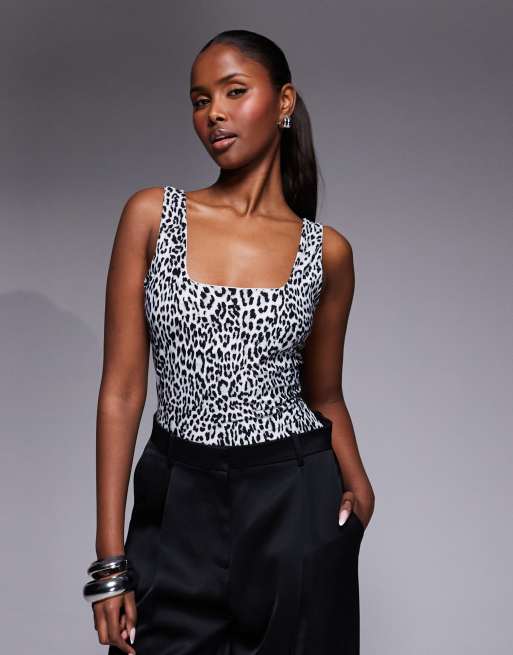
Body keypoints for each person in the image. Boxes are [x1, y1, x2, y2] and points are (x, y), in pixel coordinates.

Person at [85, 29, 375, 655]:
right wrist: (111, 563)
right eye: (200, 99)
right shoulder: (151, 217)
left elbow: (325, 395)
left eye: (234, 91)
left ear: (284, 101)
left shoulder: (326, 252)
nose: (213, 113)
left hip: (293, 501)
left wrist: (360, 488)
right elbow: (122, 391)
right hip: (177, 500)